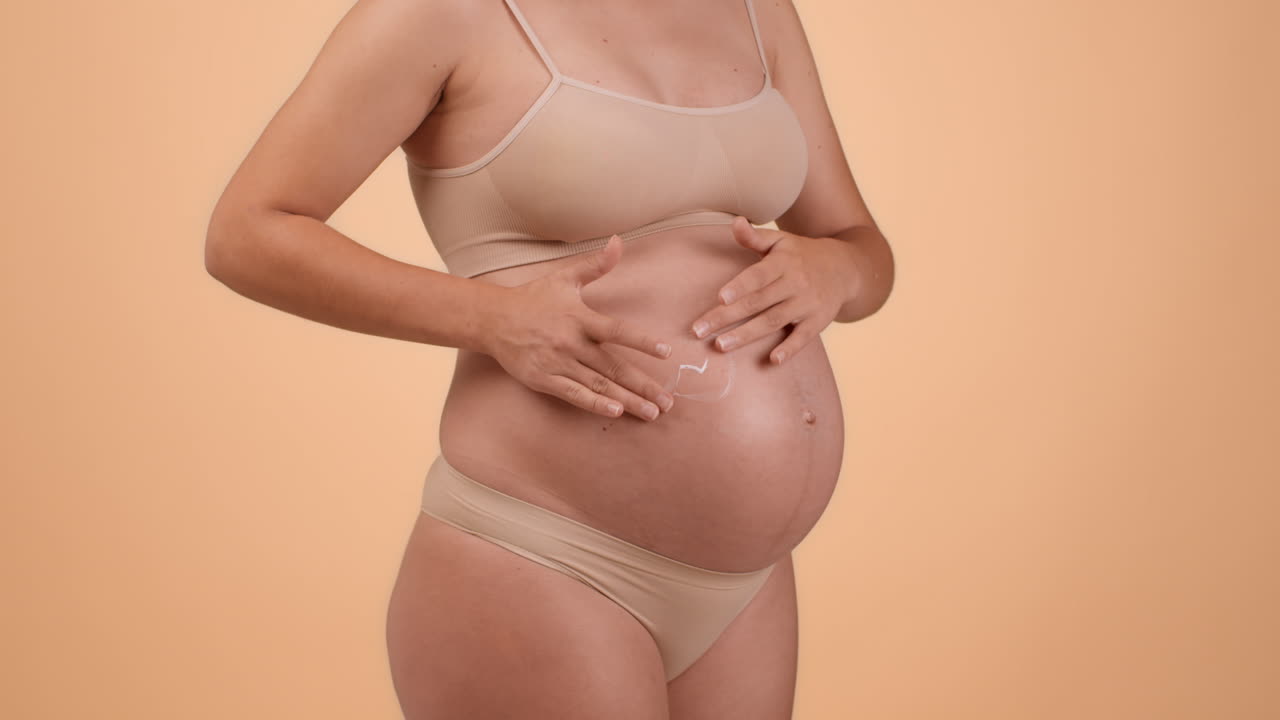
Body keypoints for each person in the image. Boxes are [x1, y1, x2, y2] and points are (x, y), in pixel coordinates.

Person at [205, 0, 894, 716]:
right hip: (545, 555)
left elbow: (859, 246)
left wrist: (835, 272)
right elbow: (245, 233)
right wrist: (491, 319)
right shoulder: (435, 13)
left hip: (745, 583)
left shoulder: (757, 12)